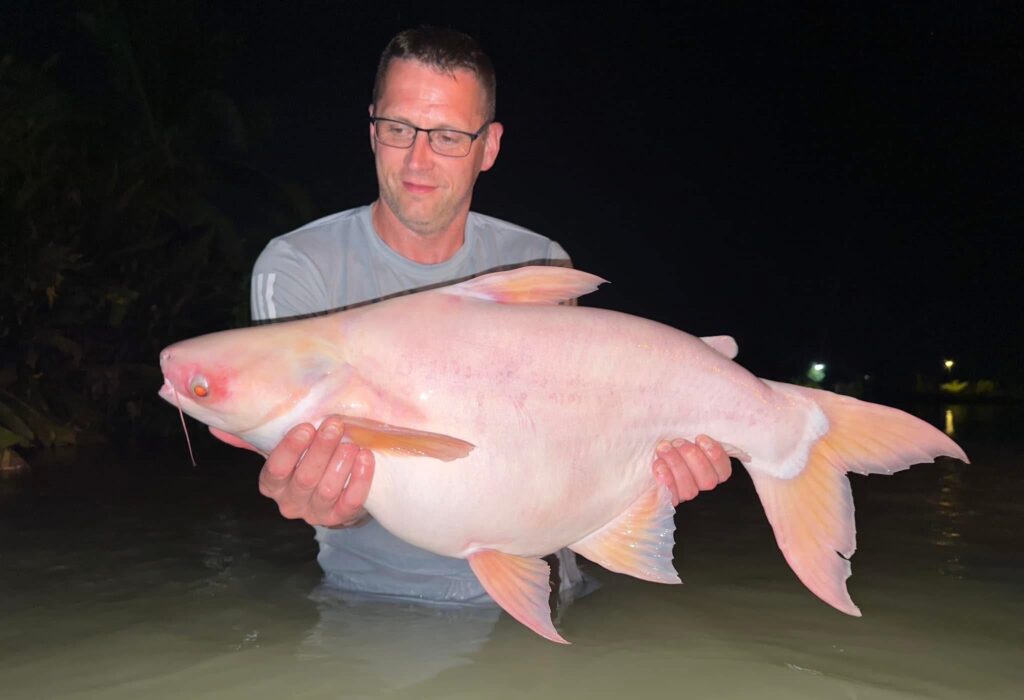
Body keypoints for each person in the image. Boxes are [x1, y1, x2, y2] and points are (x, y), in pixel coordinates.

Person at [249, 27, 732, 605]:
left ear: (490, 146)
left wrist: (654, 471)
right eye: (399, 129)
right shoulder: (300, 269)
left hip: (556, 585)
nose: (419, 159)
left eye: (450, 136)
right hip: (381, 602)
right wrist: (324, 498)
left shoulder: (538, 263)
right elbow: (309, 474)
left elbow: (570, 447)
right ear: (372, 129)